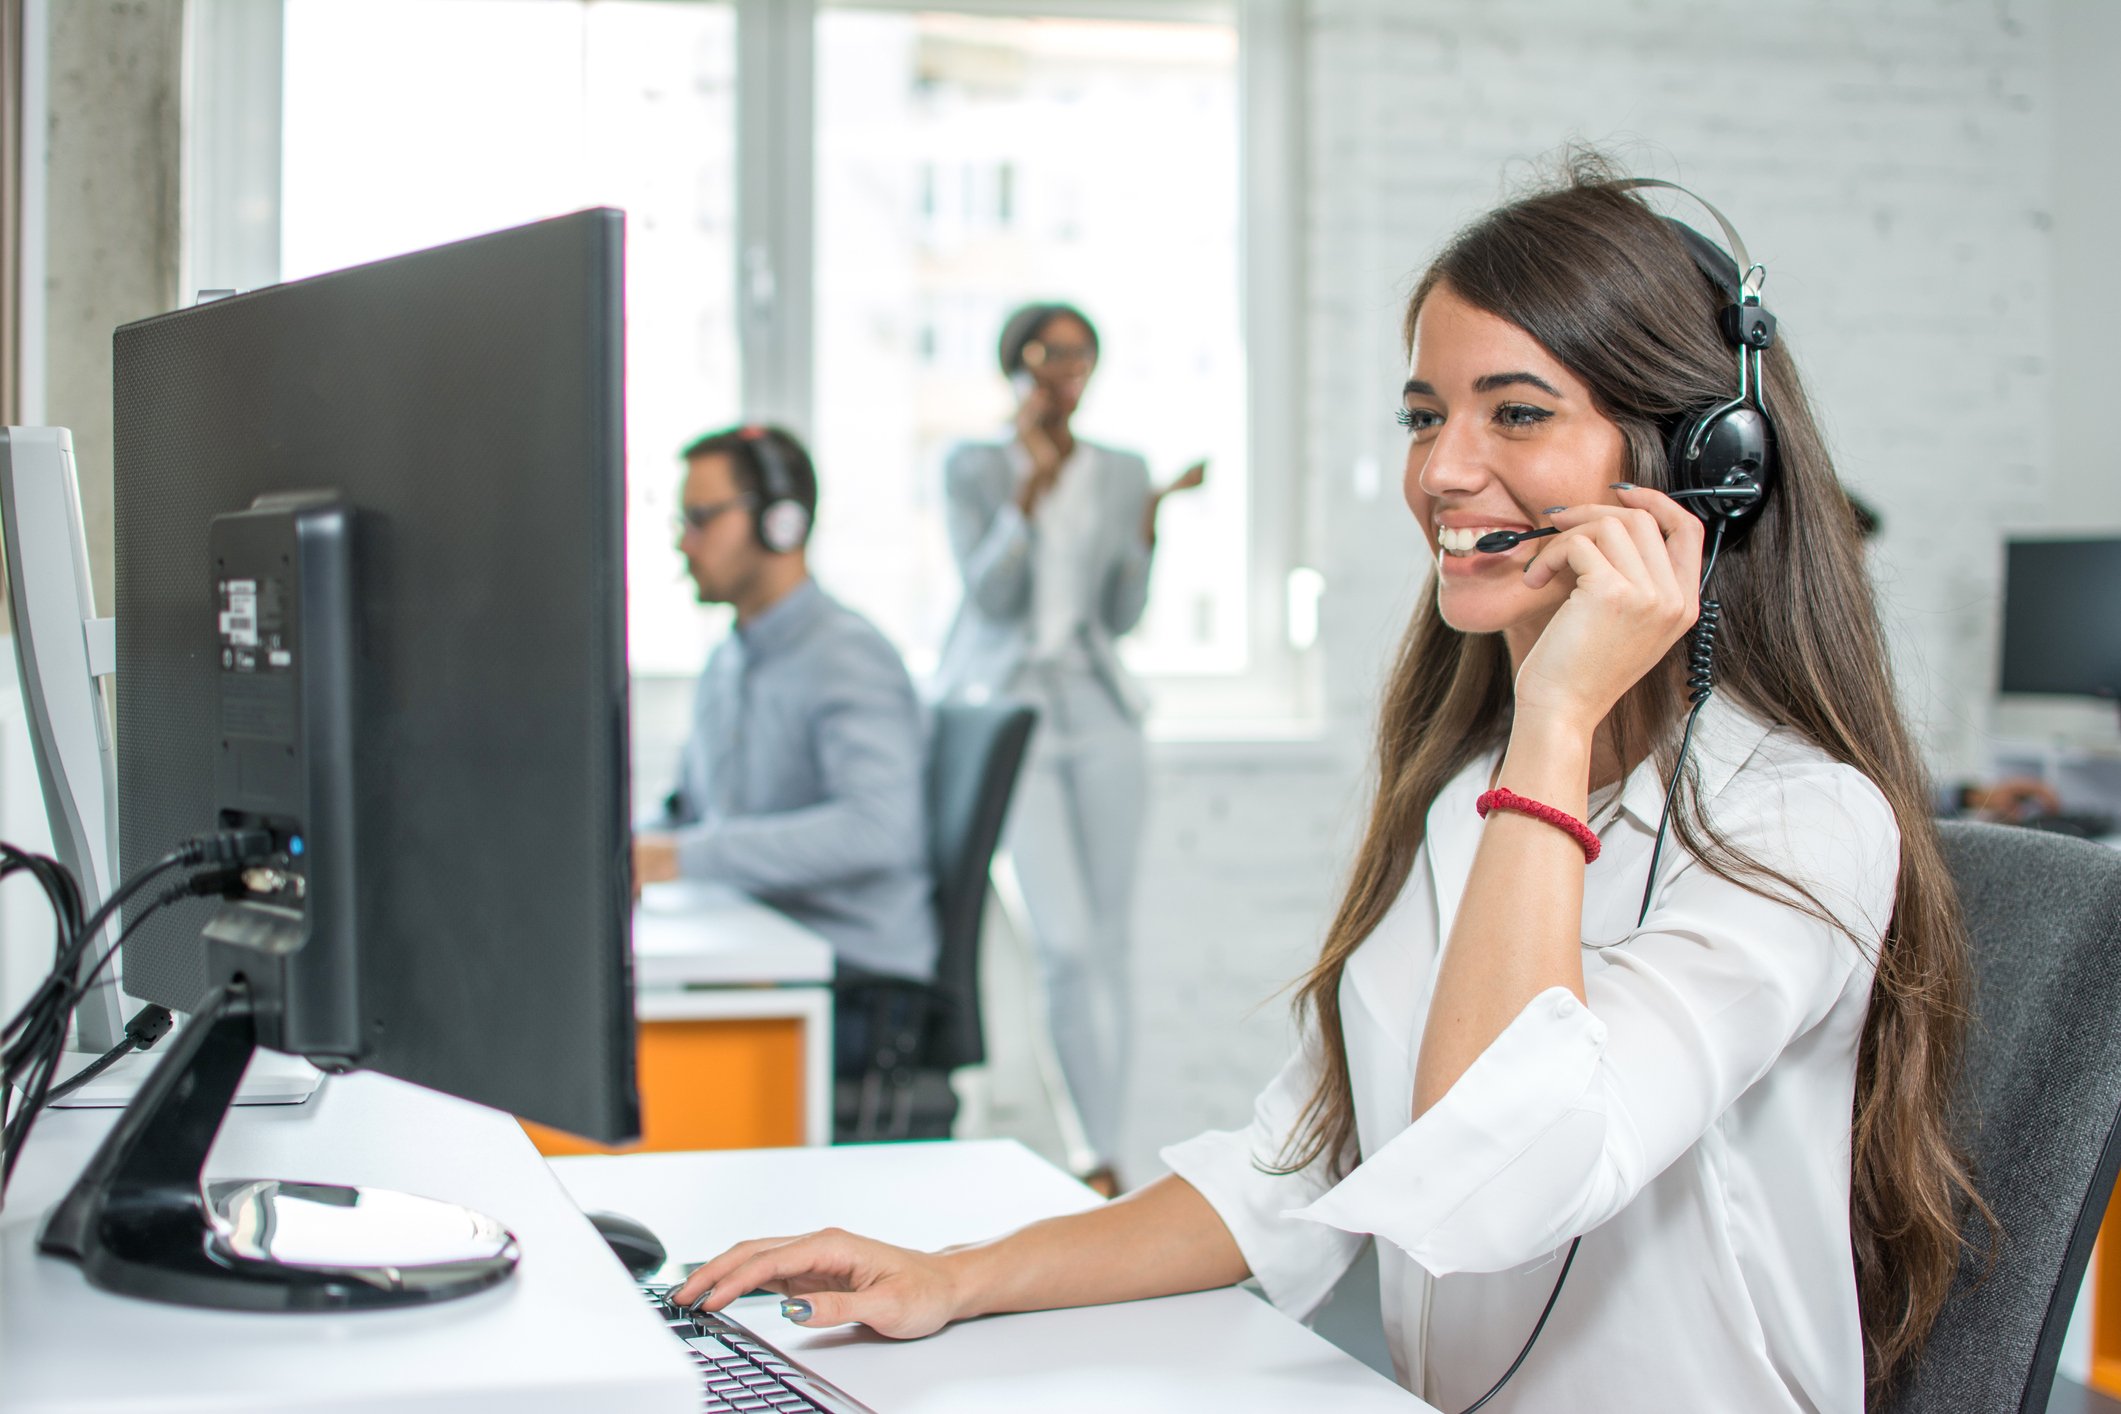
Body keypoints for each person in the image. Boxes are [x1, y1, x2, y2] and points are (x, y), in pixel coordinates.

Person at [672, 164, 1987, 1412]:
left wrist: (1556, 714)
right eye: (1425, 414)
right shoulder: (1472, 795)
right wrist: (953, 1276)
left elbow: (1502, 1177)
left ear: (1701, 464)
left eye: (1515, 412)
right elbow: (1294, 1162)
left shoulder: (1797, 821)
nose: (1442, 473)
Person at [930, 302, 1204, 1192]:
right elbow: (990, 599)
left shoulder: (1121, 471)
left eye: (1080, 359)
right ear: (1015, 366)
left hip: (1097, 707)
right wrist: (1028, 499)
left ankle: (1105, 1155)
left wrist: (1148, 526)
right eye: (1047, 358)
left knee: (1111, 945)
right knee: (1067, 946)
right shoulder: (973, 466)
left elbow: (1121, 615)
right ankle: (1086, 1145)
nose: (1063, 375)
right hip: (1012, 708)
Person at [634, 424, 937, 991]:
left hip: (852, 974)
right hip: (759, 945)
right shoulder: (729, 658)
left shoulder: (848, 657)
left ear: (782, 523)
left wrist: (678, 858)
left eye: (701, 519)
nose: (684, 543)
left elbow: (879, 830)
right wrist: (627, 849)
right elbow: (689, 814)